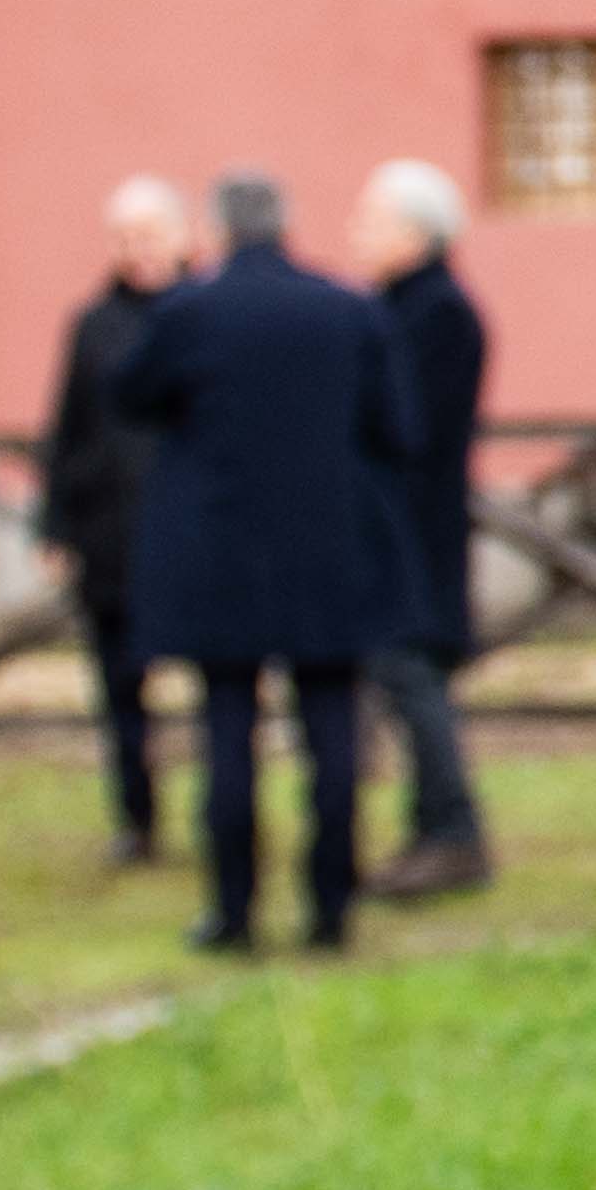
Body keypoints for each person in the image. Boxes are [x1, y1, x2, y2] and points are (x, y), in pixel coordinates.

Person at [121, 169, 416, 953]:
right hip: (328, 553)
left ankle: (235, 908)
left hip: (221, 556)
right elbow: (394, 425)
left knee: (227, 731)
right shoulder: (347, 310)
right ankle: (331, 904)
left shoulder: (189, 311)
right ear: (286, 223)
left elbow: (132, 394)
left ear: (218, 228)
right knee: (333, 732)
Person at [349, 159, 497, 900]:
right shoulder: (402, 307)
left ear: (416, 232)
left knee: (413, 675)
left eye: (372, 220)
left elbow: (407, 428)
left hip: (414, 529)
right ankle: (429, 829)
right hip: (399, 526)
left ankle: (452, 832)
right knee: (405, 677)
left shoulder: (436, 313)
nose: (357, 234)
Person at [35, 175, 191, 866]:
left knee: (221, 684)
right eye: (125, 239)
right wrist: (53, 525)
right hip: (112, 536)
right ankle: (137, 820)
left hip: (194, 535)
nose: (138, 251)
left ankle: (227, 818)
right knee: (120, 690)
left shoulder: (206, 314)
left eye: (150, 235)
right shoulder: (93, 325)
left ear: (180, 236)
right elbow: (67, 429)